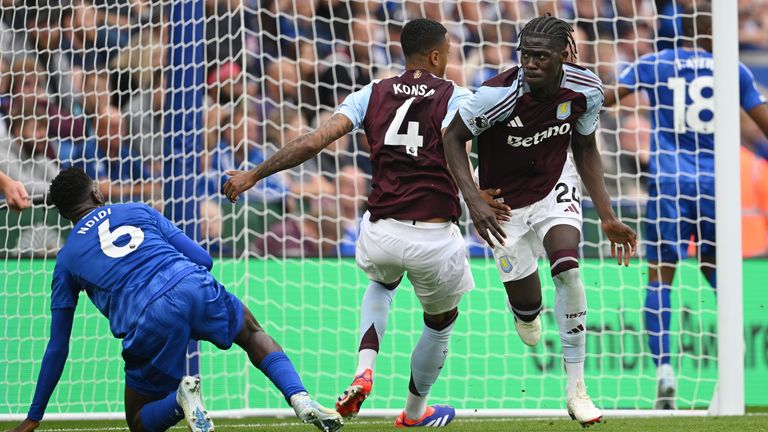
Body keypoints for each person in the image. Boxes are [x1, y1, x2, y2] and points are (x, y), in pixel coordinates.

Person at [224, 18, 505, 428]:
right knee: (441, 322)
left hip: (381, 231)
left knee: (382, 283)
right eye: (449, 52)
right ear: (435, 55)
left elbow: (313, 141)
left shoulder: (371, 93)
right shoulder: (457, 97)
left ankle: (363, 370)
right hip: (434, 236)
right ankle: (414, 413)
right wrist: (477, 195)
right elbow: (475, 145)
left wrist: (254, 174)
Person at [8, 167, 343, 432]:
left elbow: (57, 346)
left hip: (147, 316)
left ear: (67, 214)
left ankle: (181, 399)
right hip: (190, 282)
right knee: (252, 333)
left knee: (138, 420)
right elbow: (204, 259)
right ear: (96, 193)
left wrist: (34, 416)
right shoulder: (138, 209)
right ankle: (300, 398)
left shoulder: (66, 260)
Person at [443, 14, 637, 427]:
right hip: (501, 204)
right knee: (530, 313)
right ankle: (525, 311)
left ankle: (577, 389)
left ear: (563, 56)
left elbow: (584, 147)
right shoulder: (494, 95)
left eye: (540, 56)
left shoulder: (586, 89)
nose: (530, 63)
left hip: (554, 185)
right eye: (525, 55)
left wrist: (606, 215)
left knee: (567, 268)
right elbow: (452, 138)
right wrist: (473, 199)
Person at [603, 1, 768, 409]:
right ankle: (734, 366)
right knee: (719, 274)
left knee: (660, 276)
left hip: (669, 185)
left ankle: (664, 373)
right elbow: (763, 123)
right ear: (715, 33)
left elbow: (607, 99)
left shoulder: (654, 63)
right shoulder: (734, 69)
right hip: (718, 189)